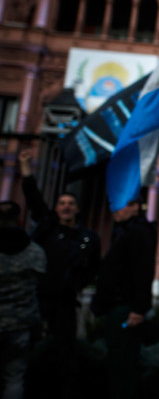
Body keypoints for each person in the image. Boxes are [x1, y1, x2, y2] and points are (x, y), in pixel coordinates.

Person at [18, 149, 100, 398]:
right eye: (62, 204)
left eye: (70, 204)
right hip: (38, 300)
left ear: (77, 209)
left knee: (65, 354)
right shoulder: (47, 228)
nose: (66, 207)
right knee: (30, 350)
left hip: (65, 303)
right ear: (56, 208)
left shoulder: (87, 237)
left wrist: (77, 284)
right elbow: (33, 198)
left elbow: (94, 267)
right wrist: (25, 166)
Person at [91, 199, 157, 399]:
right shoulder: (125, 230)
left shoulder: (138, 231)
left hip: (125, 307)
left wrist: (138, 308)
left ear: (135, 206)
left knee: (123, 364)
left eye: (121, 205)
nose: (115, 210)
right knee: (118, 362)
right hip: (119, 305)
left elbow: (143, 271)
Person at [0, 201, 46, 399]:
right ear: (19, 219)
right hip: (20, 324)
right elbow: (42, 285)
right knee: (14, 378)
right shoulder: (34, 251)